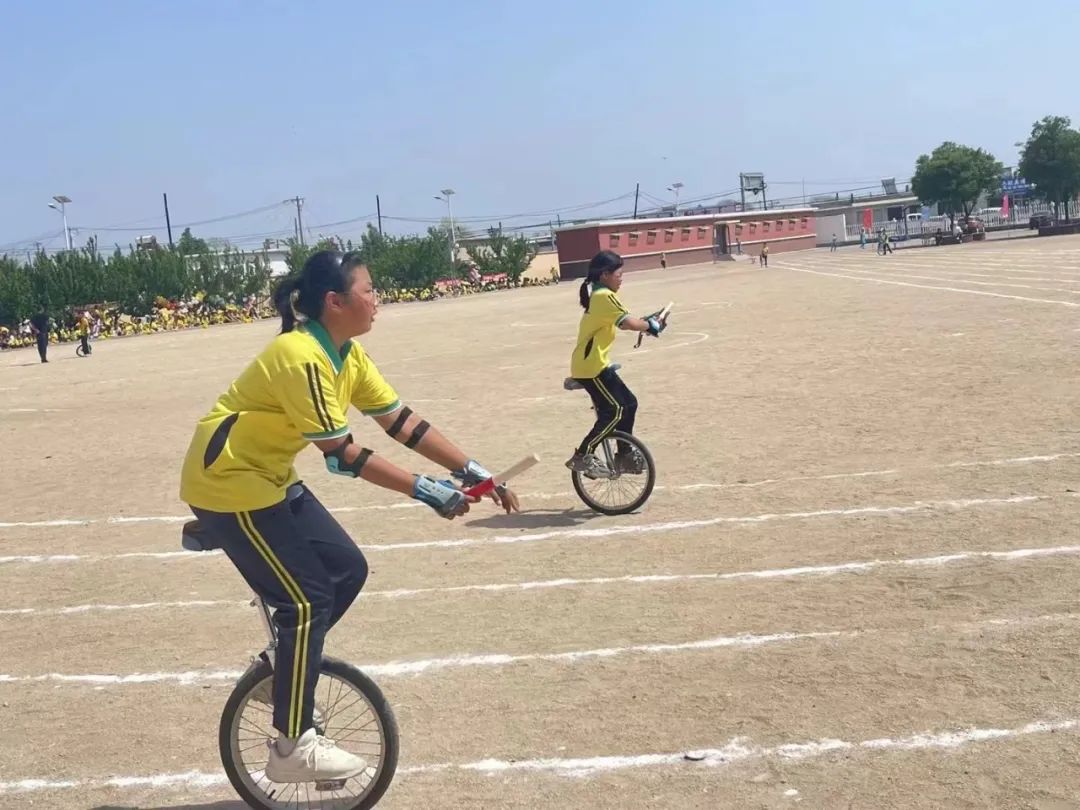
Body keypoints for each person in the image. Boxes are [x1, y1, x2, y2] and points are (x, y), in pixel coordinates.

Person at [179, 250, 519, 784]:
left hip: (269, 477)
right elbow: (341, 453)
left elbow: (401, 422)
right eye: (368, 290)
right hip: (228, 484)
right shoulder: (302, 356)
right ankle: (292, 747)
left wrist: (475, 469)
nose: (376, 298)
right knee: (307, 598)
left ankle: (285, 670)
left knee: (346, 570)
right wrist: (426, 490)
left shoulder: (346, 354)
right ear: (334, 302)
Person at [565, 250, 665, 477]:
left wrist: (648, 324)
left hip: (597, 364)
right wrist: (649, 326)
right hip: (589, 368)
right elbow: (629, 323)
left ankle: (625, 454)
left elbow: (626, 323)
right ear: (604, 275)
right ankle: (583, 455)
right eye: (619, 274)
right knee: (616, 410)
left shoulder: (604, 296)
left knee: (629, 403)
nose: (621, 278)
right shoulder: (603, 297)